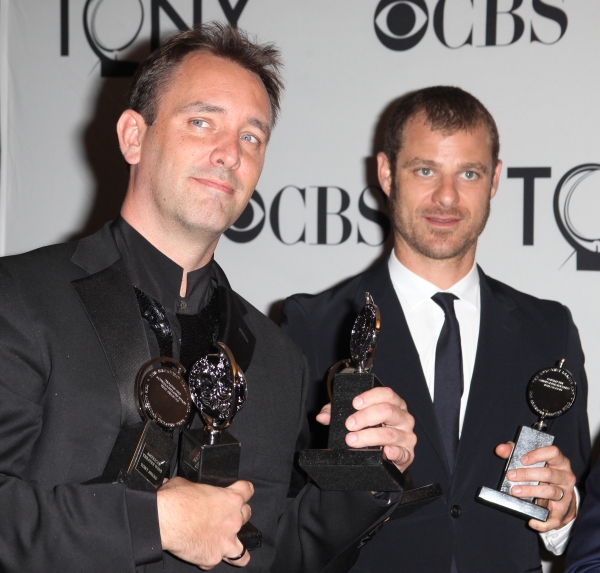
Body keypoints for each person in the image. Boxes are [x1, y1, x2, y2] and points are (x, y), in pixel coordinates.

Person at [0, 24, 417, 573]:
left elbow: (275, 551)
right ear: (133, 136)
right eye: (201, 122)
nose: (229, 154)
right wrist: (153, 524)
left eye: (252, 136)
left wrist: (364, 473)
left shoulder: (276, 358)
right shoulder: (22, 299)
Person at [280, 86, 591, 573]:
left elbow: (580, 499)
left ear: (494, 181)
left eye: (469, 173)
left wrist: (563, 515)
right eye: (425, 170)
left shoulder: (549, 330)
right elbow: (283, 513)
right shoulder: (312, 326)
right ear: (386, 173)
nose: (446, 197)